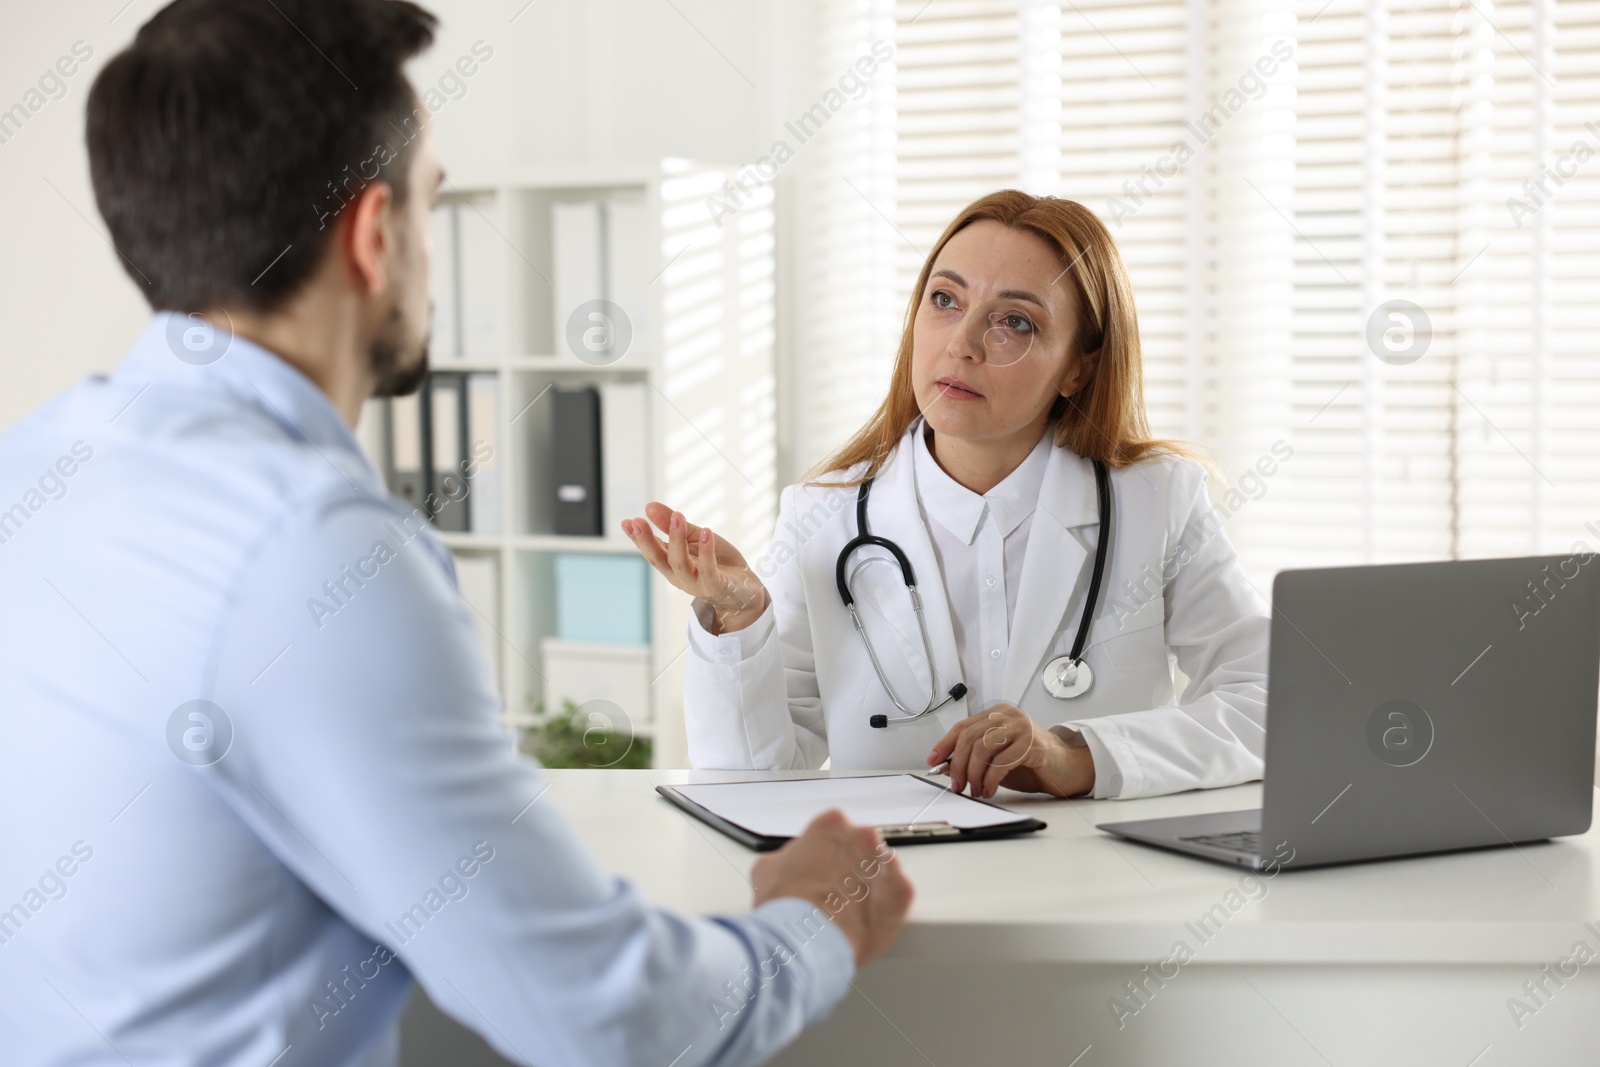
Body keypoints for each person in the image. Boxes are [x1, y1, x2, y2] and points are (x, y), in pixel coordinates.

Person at [0, 2, 911, 1065]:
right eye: (434, 208)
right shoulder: (310, 547)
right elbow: (610, 1018)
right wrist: (810, 919)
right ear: (374, 235)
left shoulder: (39, 466)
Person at [626, 191, 1272, 801]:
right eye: (944, 299)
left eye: (1014, 322)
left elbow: (1269, 703)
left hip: (1094, 884)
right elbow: (749, 778)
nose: (961, 344)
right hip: (886, 884)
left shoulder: (1155, 499)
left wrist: (1080, 756)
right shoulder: (822, 513)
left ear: (1079, 366)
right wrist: (740, 620)